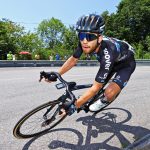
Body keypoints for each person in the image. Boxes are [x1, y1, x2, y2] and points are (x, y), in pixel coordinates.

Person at [44, 14, 136, 115]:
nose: (84, 41)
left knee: (109, 93)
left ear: (99, 38)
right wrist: (57, 74)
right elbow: (73, 60)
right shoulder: (85, 43)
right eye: (81, 36)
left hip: (125, 64)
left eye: (90, 36)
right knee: (98, 83)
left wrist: (75, 105)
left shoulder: (108, 54)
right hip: (111, 60)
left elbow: (96, 87)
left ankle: (104, 100)